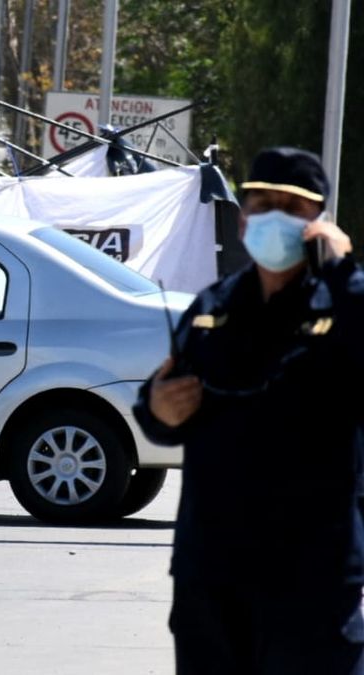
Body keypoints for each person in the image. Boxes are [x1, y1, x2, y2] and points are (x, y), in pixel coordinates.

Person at [133, 146, 364, 673]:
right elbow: (161, 405)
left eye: (292, 207)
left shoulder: (343, 303)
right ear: (242, 220)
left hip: (311, 579)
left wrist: (344, 273)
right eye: (262, 205)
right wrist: (156, 409)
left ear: (319, 221)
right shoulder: (213, 308)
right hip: (212, 576)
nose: (273, 218)